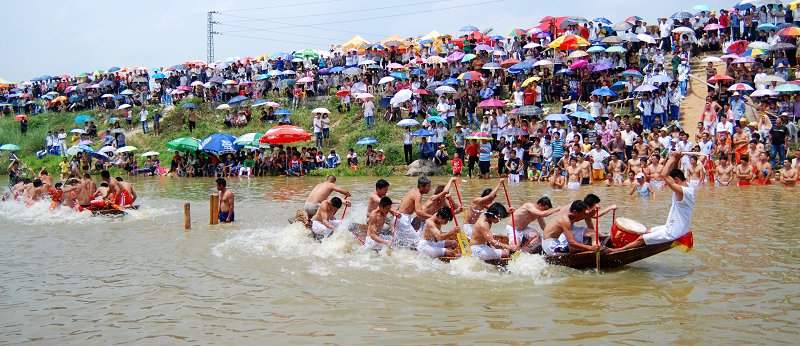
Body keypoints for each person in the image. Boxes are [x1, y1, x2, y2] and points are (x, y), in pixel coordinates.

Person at [395, 176, 434, 248]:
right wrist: (433, 217)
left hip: (401, 217)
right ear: (421, 187)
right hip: (403, 218)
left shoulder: (413, 190)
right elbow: (418, 212)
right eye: (428, 187)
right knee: (418, 241)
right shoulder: (418, 195)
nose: (429, 189)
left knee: (404, 241)